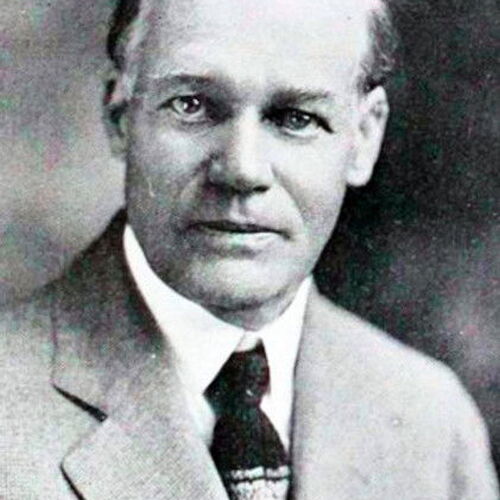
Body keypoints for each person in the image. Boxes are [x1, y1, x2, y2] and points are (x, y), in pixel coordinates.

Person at [0, 0, 498, 498]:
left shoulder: (432, 425)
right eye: (192, 105)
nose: (242, 169)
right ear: (120, 117)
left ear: (364, 138)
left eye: (296, 118)